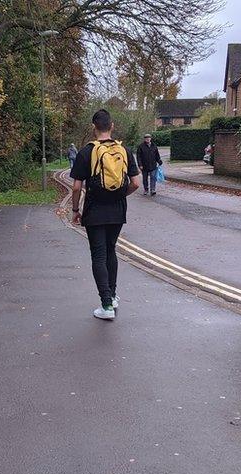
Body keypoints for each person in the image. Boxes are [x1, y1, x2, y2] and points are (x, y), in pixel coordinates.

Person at [69, 109, 141, 320]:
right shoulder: (124, 150)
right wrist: (120, 196)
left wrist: (75, 211)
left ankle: (106, 305)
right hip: (118, 209)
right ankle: (114, 295)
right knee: (111, 251)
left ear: (94, 128)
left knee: (98, 255)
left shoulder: (86, 152)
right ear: (112, 126)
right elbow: (136, 183)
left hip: (94, 210)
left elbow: (75, 188)